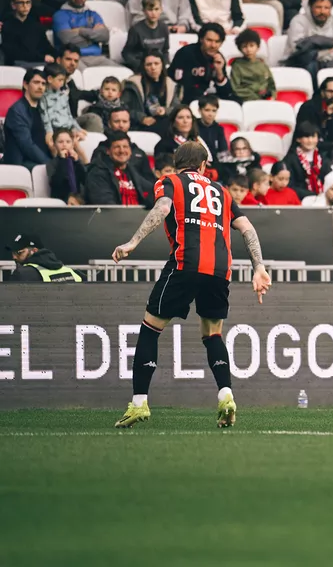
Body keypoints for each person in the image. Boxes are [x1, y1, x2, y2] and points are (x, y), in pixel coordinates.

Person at [110, 141, 271, 428]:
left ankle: (139, 403)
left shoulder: (170, 181)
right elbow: (247, 228)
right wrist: (258, 267)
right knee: (213, 334)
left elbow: (162, 208)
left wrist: (133, 242)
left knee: (150, 328)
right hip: (219, 270)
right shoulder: (222, 191)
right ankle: (226, 395)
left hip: (185, 264)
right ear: (203, 165)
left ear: (177, 163)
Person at [285, 0, 333, 76]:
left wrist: (315, 51)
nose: (322, 12)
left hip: (330, 63)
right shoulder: (298, 21)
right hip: (300, 64)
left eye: (326, 8)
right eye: (318, 7)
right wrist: (327, 50)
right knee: (312, 67)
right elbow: (298, 51)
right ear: (310, 7)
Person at [169, 22, 236, 104]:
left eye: (217, 41)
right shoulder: (186, 53)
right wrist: (206, 98)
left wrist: (219, 72)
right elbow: (182, 85)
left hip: (205, 99)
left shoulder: (219, 58)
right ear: (201, 39)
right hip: (183, 99)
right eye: (209, 40)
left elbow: (226, 93)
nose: (213, 45)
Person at [52, 0, 113, 67]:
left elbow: (105, 36)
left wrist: (80, 31)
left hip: (97, 57)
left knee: (122, 71)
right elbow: (67, 40)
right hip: (73, 59)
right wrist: (93, 37)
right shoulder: (60, 15)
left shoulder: (93, 14)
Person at [295, 76, 333, 166]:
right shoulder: (309, 107)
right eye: (330, 91)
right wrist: (327, 114)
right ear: (322, 92)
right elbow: (307, 134)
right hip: (312, 147)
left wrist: (331, 116)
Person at [84, 131, 154, 206]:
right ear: (108, 151)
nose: (121, 151)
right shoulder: (98, 173)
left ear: (130, 151)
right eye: (117, 147)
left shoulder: (133, 173)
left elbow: (153, 190)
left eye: (125, 147)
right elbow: (106, 205)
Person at [3, 69, 52, 170]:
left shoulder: (44, 109)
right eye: (36, 82)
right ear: (25, 85)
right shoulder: (17, 111)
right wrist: (50, 163)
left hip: (41, 162)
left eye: (43, 84)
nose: (40, 87)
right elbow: (27, 145)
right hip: (23, 164)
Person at [123, 52, 180, 135]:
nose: (153, 67)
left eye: (156, 63)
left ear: (162, 65)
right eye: (149, 64)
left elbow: (177, 108)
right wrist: (142, 118)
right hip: (140, 126)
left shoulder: (170, 84)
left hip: (164, 122)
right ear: (144, 67)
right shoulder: (133, 85)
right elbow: (123, 108)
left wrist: (165, 110)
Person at [2, 0, 58, 68]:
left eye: (28, 2)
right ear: (13, 5)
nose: (25, 6)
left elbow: (45, 46)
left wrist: (58, 55)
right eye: (21, 3)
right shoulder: (7, 26)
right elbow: (13, 53)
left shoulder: (36, 25)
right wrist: (42, 57)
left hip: (38, 63)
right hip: (18, 65)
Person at [39, 63, 87, 151]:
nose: (62, 83)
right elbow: (45, 118)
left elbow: (69, 116)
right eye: (60, 80)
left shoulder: (63, 96)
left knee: (79, 139)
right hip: (56, 131)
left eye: (63, 80)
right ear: (50, 79)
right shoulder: (43, 98)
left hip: (68, 129)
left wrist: (78, 128)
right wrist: (49, 132)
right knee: (68, 144)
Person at [123, 0, 171, 74]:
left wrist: (165, 65)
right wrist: (141, 66)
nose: (153, 13)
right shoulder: (135, 30)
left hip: (159, 69)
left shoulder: (164, 28)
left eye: (156, 9)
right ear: (144, 11)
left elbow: (165, 50)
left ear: (161, 10)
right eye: (150, 10)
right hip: (141, 69)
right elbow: (127, 53)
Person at [6, 234, 81, 282]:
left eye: (19, 253)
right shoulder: (73, 273)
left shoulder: (21, 274)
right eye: (13, 253)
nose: (14, 257)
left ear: (34, 251)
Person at [230, 29, 277, 102]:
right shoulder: (237, 66)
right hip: (247, 101)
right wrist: (256, 97)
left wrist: (272, 96)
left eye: (251, 45)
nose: (248, 50)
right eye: (244, 46)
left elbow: (271, 84)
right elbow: (236, 88)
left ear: (258, 47)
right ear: (240, 49)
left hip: (266, 100)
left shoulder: (262, 65)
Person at [282, 121, 326, 198]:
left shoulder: (323, 157)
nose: (310, 140)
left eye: (313, 137)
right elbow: (289, 185)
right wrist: (312, 195)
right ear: (298, 139)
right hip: (299, 199)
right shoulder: (290, 159)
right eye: (306, 137)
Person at [48, 128, 88, 205]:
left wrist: (77, 161)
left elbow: (85, 179)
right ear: (55, 144)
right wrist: (63, 160)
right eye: (60, 142)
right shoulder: (52, 163)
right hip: (61, 199)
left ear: (72, 144)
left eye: (68, 142)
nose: (64, 144)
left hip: (79, 198)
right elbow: (56, 183)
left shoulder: (76, 161)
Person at [197, 95, 230, 166]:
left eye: (214, 111)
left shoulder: (219, 129)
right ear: (199, 110)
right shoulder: (193, 126)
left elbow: (223, 151)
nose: (210, 114)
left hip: (215, 165)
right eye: (207, 110)